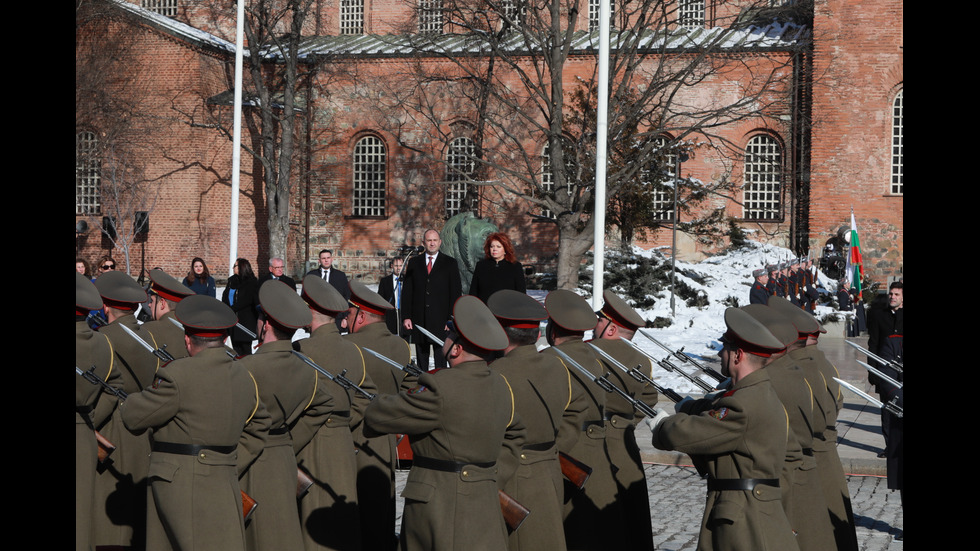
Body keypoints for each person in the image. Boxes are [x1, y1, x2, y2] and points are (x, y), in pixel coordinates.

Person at [363, 295, 526, 551]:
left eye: (448, 335)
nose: (445, 338)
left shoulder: (440, 385)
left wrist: (374, 397)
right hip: (484, 498)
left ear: (457, 348)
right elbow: (516, 434)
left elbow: (380, 416)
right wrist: (489, 476)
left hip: (440, 504)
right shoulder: (501, 384)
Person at [119, 295, 271, 551]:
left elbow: (133, 417)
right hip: (225, 477)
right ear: (224, 339)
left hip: (180, 483)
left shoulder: (177, 374)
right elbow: (260, 422)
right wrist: (224, 460)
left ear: (187, 340)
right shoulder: (244, 375)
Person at [648, 308, 800, 551]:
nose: (720, 353)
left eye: (725, 347)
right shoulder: (756, 393)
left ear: (738, 355)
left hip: (745, 520)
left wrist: (664, 426)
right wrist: (693, 407)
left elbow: (696, 433)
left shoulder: (744, 403)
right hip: (748, 510)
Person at [238, 280, 329, 551]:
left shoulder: (246, 368)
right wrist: (289, 440)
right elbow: (324, 404)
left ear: (265, 324)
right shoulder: (307, 370)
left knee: (255, 536)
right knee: (281, 531)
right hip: (283, 456)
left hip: (250, 460)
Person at [295, 275, 377, 551]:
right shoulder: (354, 350)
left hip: (308, 445)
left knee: (312, 520)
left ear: (309, 309)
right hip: (343, 444)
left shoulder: (301, 350)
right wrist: (341, 424)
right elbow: (366, 400)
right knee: (341, 520)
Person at [487, 289, 570, 551]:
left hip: (514, 479)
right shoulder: (557, 365)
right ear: (535, 333)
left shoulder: (495, 374)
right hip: (550, 472)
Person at [542, 289, 617, 551]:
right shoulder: (595, 356)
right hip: (598, 451)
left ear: (552, 330)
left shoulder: (549, 360)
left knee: (571, 531)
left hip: (567, 453)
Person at [90, 270, 159, 549]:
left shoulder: (103, 338)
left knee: (109, 518)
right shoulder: (151, 337)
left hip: (110, 430)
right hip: (143, 428)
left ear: (105, 305)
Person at [344, 279, 414, 551]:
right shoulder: (399, 346)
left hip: (353, 441)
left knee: (355, 514)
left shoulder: (349, 346)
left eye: (349, 313)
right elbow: (409, 389)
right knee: (382, 514)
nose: (345, 318)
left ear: (361, 316)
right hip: (386, 441)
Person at [588, 290, 658, 551]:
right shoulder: (643, 361)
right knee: (631, 524)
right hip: (626, 447)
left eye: (599, 319)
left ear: (610, 327)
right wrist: (624, 422)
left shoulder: (586, 354)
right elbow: (648, 401)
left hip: (593, 446)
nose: (595, 324)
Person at [76, 273, 117, 551]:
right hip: (83, 433)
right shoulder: (103, 342)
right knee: (81, 518)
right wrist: (89, 421)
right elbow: (114, 387)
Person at [401, 229, 462, 370]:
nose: (432, 243)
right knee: (421, 359)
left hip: (441, 320)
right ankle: (422, 386)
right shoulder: (414, 263)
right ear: (424, 243)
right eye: (429, 240)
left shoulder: (450, 263)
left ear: (440, 242)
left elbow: (455, 293)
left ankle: (439, 386)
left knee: (440, 360)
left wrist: (451, 319)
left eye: (435, 240)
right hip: (419, 319)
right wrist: (406, 317)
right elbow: (407, 292)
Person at [867, 281, 903, 498]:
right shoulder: (880, 316)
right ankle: (890, 446)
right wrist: (873, 371)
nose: (892, 297)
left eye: (897, 294)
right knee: (887, 411)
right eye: (891, 293)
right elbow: (874, 343)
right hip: (885, 370)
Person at [140, 268, 195, 361]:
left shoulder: (147, 330)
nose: (149, 305)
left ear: (162, 303)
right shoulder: (193, 330)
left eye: (152, 301)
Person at [468, 232, 526, 303]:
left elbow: (521, 293)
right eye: (492, 246)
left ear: (505, 249)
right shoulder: (481, 266)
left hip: (508, 310)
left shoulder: (515, 266)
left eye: (498, 247)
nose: (494, 249)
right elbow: (473, 291)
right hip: (484, 310)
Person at [222, 258, 260, 356]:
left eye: (235, 266)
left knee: (245, 350)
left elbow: (247, 300)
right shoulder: (231, 281)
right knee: (236, 350)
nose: (233, 268)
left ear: (242, 267)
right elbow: (225, 296)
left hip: (245, 322)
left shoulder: (251, 282)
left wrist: (232, 309)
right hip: (232, 321)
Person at [377, 257, 405, 337]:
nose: (398, 268)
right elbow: (380, 298)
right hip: (390, 315)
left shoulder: (407, 280)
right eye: (396, 266)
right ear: (392, 266)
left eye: (400, 265)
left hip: (403, 314)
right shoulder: (385, 281)